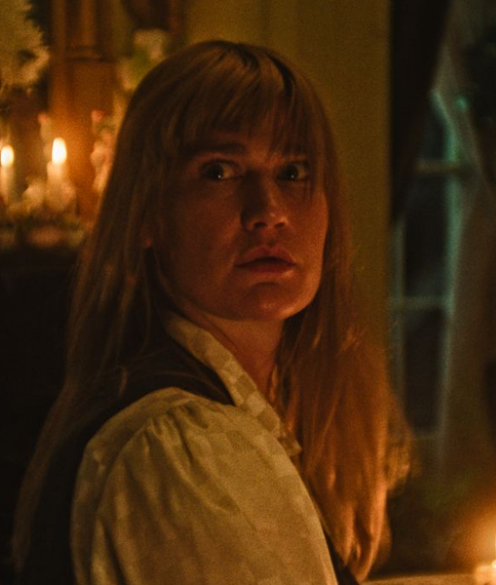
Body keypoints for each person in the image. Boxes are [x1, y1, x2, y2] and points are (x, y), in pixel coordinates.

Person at [12, 40, 410, 585]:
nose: (268, 212)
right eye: (219, 172)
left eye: (294, 171)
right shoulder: (178, 445)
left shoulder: (242, 415)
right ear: (147, 214)